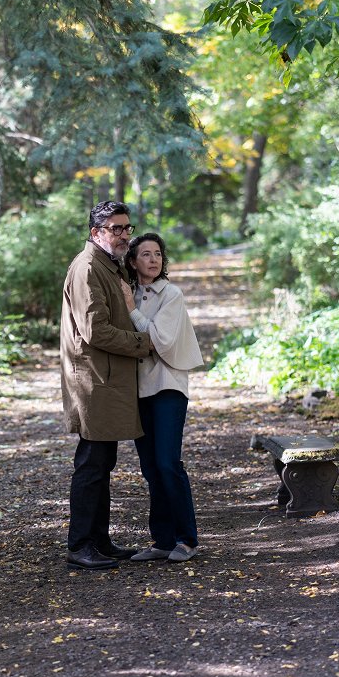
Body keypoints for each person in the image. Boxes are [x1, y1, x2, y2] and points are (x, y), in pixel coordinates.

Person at [60, 201, 153, 570]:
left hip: (107, 379)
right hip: (94, 381)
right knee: (92, 464)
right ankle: (80, 544)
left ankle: (98, 540)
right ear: (96, 232)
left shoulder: (107, 264)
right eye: (116, 229)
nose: (125, 235)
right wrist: (143, 344)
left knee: (102, 462)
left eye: (127, 228)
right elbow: (95, 330)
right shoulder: (86, 268)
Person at [121, 232, 203, 562]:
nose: (153, 259)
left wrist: (131, 310)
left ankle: (187, 539)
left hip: (168, 385)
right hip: (137, 390)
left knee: (169, 463)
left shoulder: (171, 294)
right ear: (132, 261)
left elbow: (158, 341)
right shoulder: (126, 293)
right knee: (151, 468)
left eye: (158, 254)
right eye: (145, 254)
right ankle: (162, 541)